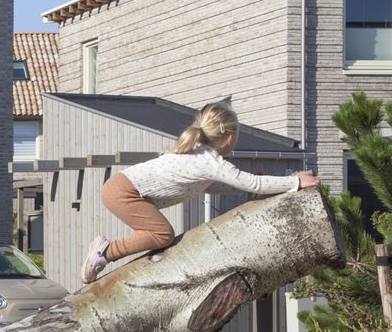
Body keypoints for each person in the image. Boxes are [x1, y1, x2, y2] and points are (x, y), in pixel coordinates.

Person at [81, 102, 320, 284]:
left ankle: (106, 251)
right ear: (230, 138)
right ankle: (105, 252)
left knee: (158, 234)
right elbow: (252, 184)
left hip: (120, 187)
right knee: (162, 234)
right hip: (125, 191)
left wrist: (248, 188)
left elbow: (211, 186)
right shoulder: (210, 161)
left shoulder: (195, 152)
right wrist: (295, 182)